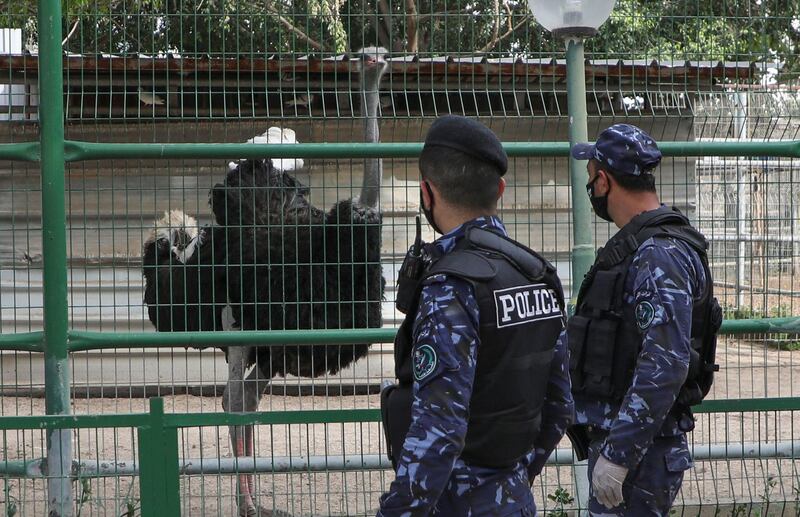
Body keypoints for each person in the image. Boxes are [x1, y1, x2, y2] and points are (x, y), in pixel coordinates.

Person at [378, 114, 574, 516]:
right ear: (499, 189)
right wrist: (510, 479)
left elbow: (440, 431)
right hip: (514, 500)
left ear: (426, 193)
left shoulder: (450, 286)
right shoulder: (538, 275)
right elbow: (560, 407)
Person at [567, 124, 720, 516]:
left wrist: (618, 456)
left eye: (591, 178)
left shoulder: (658, 254)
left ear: (603, 180)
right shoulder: (642, 244)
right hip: (634, 444)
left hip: (640, 453)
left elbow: (666, 363)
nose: (590, 188)